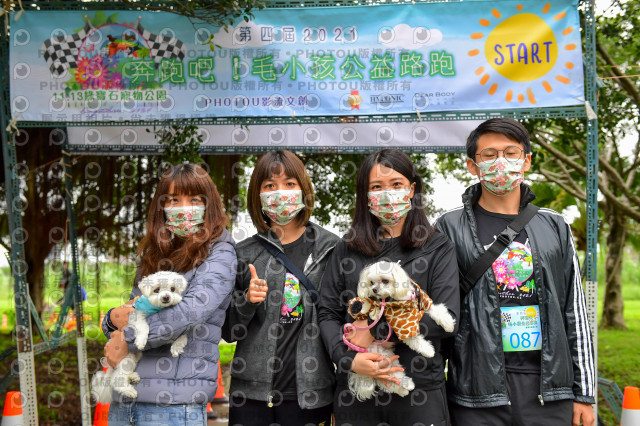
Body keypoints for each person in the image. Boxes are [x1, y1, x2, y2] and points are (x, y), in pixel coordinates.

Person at [436, 118, 596, 425]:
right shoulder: (448, 226)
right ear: (472, 165)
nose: (501, 162)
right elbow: (439, 309)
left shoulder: (554, 225)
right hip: (476, 388)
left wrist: (584, 393)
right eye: (489, 154)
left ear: (527, 161)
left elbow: (574, 310)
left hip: (548, 390)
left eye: (511, 153)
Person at [318, 149, 460, 425]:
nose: (387, 194)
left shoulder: (437, 247)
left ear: (412, 190)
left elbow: (448, 319)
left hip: (420, 391)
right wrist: (347, 359)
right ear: (365, 195)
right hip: (357, 392)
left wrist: (374, 330)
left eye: (396, 185)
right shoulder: (346, 248)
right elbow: (327, 313)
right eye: (376, 187)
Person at [101, 163, 236, 425]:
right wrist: (110, 319)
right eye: (173, 200)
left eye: (194, 199)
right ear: (161, 207)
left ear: (209, 205)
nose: (183, 208)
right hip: (125, 398)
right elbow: (132, 308)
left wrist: (127, 339)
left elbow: (187, 313)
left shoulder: (220, 252)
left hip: (174, 404)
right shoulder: (154, 253)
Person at [222, 150, 338, 426]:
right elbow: (228, 331)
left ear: (303, 190)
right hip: (251, 397)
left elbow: (341, 323)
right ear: (258, 195)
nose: (280, 192)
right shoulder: (243, 253)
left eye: (289, 183)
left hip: (312, 395)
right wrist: (247, 301)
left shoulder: (331, 249)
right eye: (270, 185)